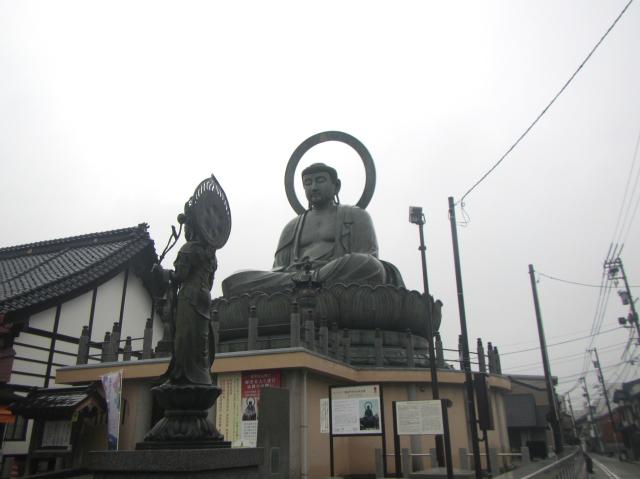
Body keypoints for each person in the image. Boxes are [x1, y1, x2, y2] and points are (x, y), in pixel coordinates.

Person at [222, 163, 403, 297]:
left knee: (368, 265)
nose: (313, 187)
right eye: (308, 183)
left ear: (336, 186)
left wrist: (316, 275)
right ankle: (306, 282)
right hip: (294, 278)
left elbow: (369, 259)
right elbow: (277, 269)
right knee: (235, 281)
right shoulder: (292, 227)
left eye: (320, 180)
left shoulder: (356, 215)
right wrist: (296, 277)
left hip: (334, 273)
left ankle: (309, 281)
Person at [158, 213, 217, 385]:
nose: (185, 232)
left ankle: (182, 374)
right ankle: (201, 373)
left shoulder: (189, 249)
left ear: (193, 229)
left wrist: (163, 273)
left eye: (187, 228)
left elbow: (179, 276)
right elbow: (210, 283)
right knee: (200, 337)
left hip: (189, 296)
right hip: (204, 297)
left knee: (184, 337)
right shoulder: (211, 256)